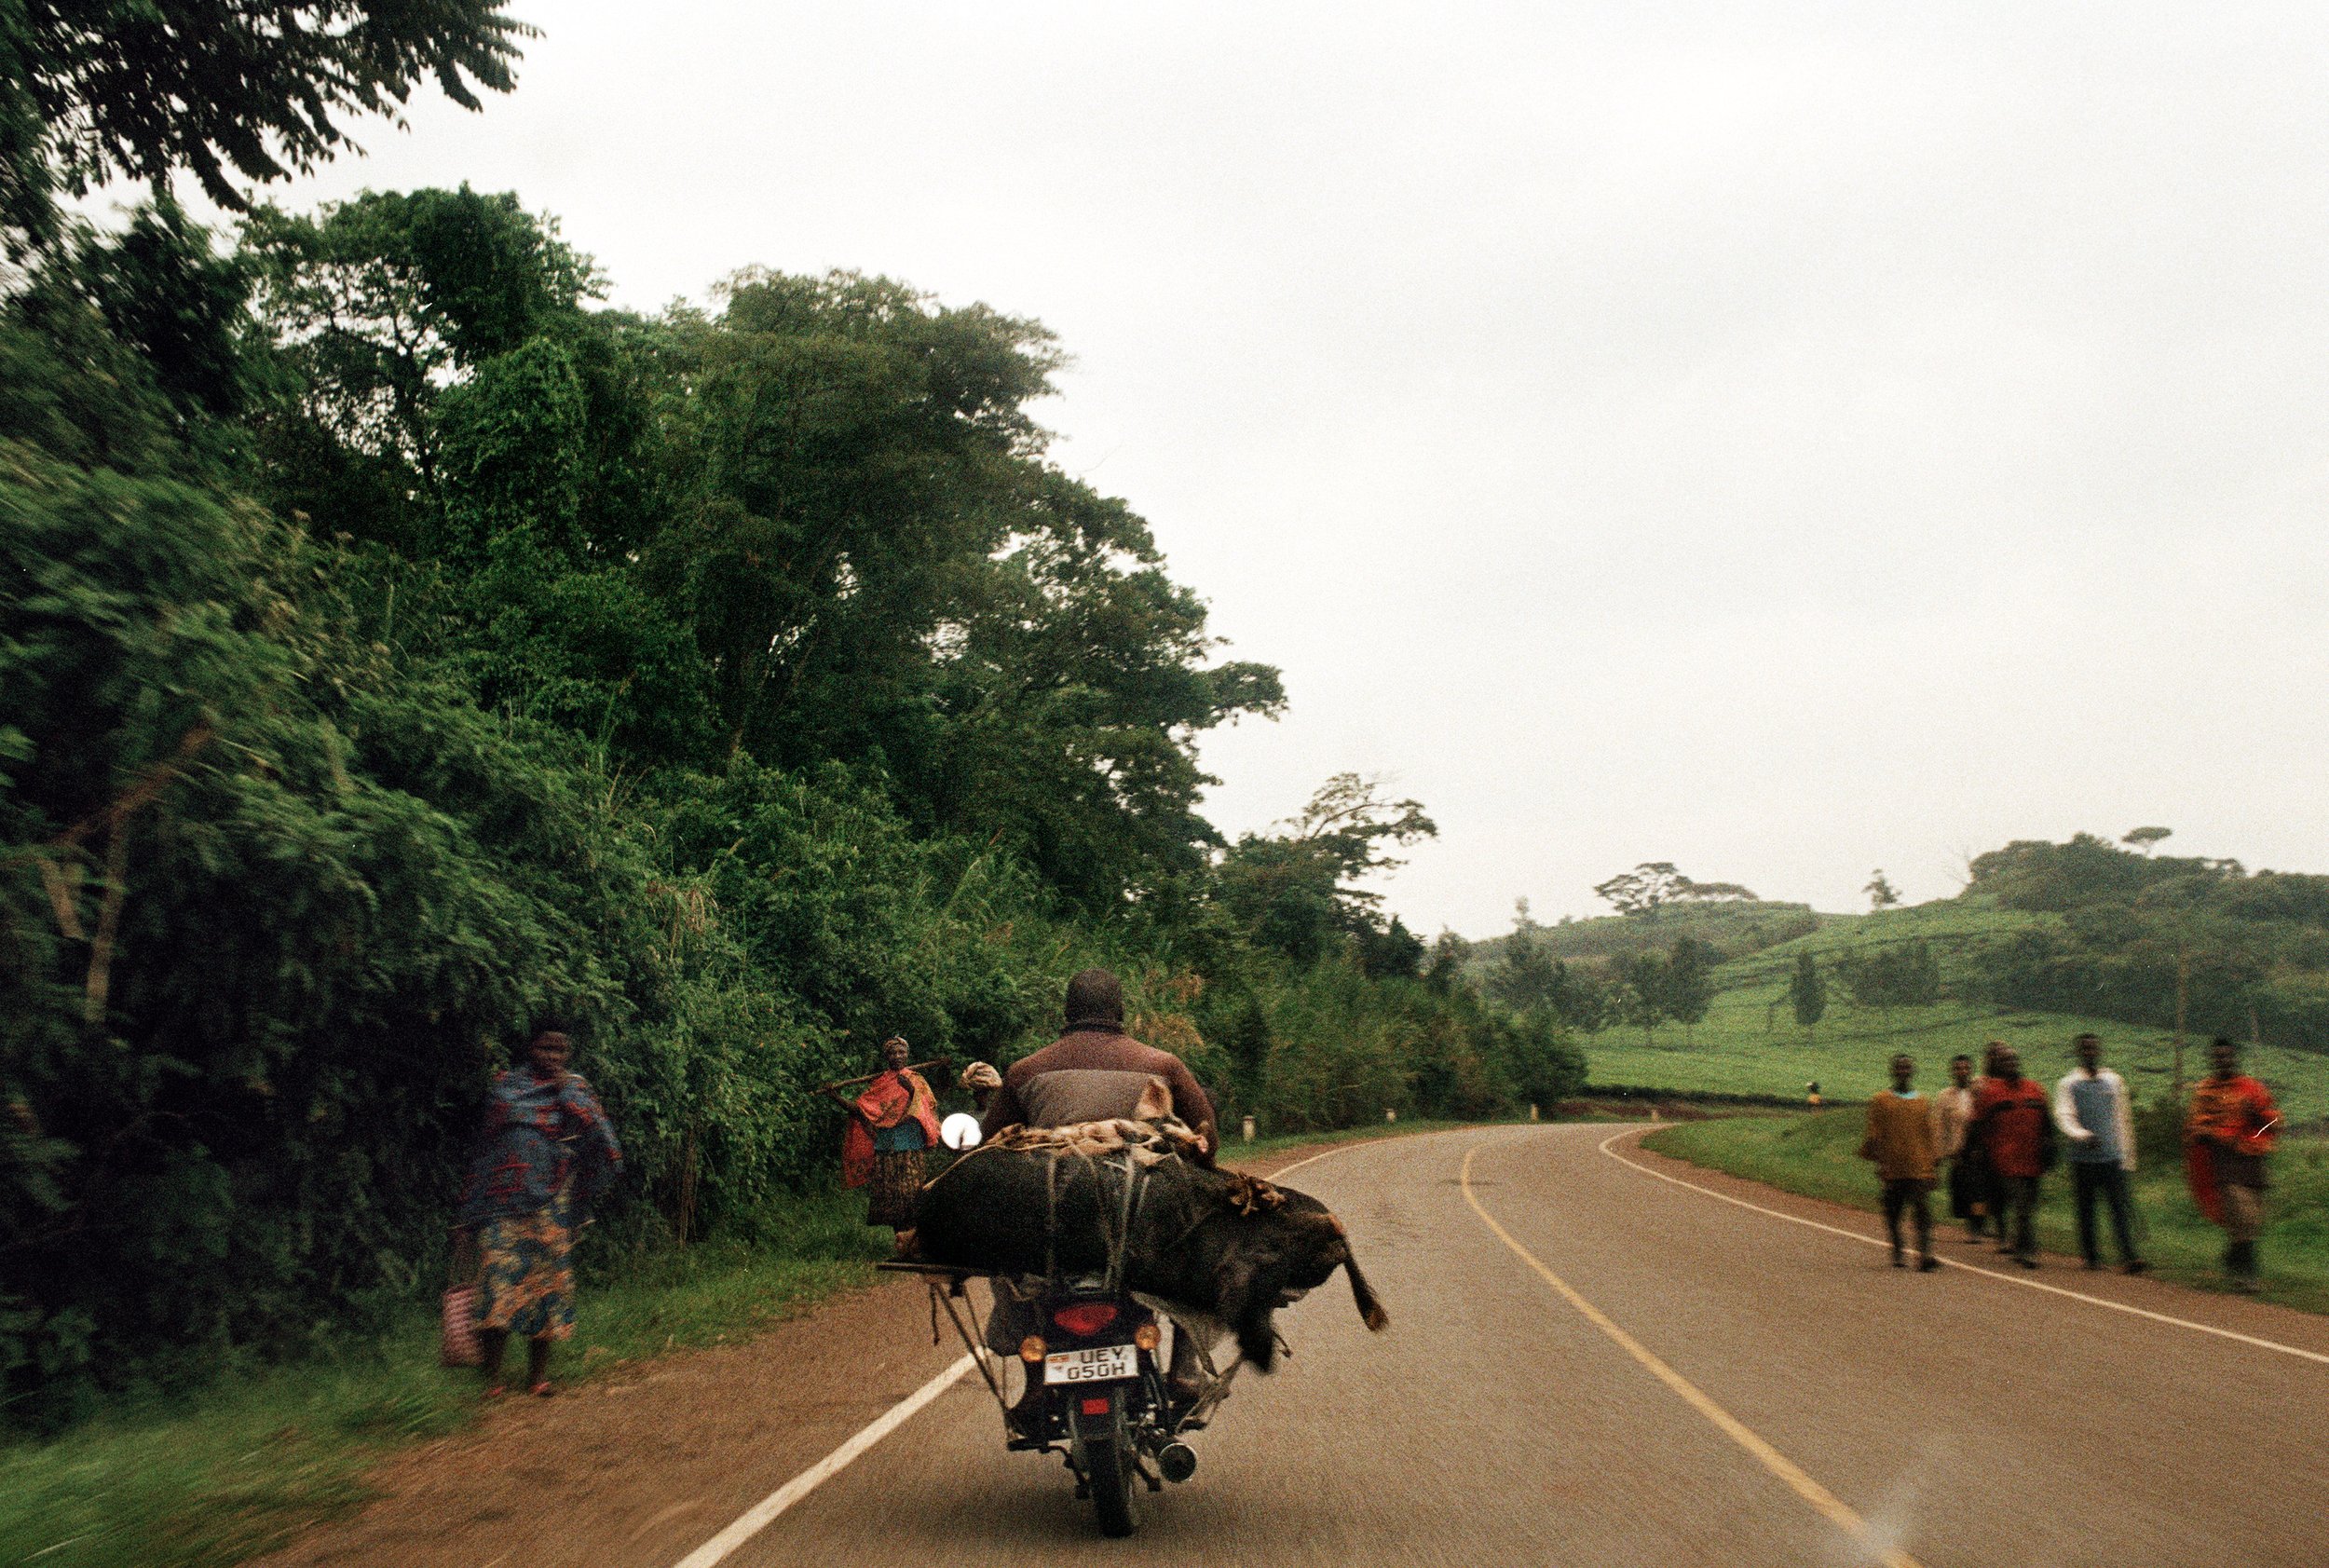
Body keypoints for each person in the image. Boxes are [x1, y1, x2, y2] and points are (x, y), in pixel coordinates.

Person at [971, 968, 1219, 1433]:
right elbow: (1206, 1140)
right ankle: (1184, 1374)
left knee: (1007, 1265)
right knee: (1197, 1261)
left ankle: (1035, 1381)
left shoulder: (1025, 1071)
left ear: (1066, 1014)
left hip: (1052, 1230)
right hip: (1142, 1227)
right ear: (1120, 1013)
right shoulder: (1164, 1066)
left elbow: (989, 1152)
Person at [454, 1029, 622, 1398]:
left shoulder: (576, 1089)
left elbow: (602, 1138)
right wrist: (469, 1209)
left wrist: (565, 1091)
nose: (553, 1056)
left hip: (551, 1206)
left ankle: (537, 1378)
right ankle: (492, 1380)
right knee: (497, 1283)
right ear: (531, 1048)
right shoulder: (506, 1087)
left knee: (548, 1286)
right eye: (546, 1047)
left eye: (561, 1050)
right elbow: (486, 1148)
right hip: (501, 1204)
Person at [2185, 1037, 2281, 1293]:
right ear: (2212, 1059)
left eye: (2227, 1055)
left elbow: (2272, 1122)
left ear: (2235, 1057)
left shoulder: (2252, 1087)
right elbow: (2195, 1126)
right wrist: (2215, 1134)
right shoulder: (2205, 1090)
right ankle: (2249, 1277)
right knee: (2242, 1214)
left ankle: (2232, 1260)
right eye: (2218, 1056)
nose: (2223, 1060)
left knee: (2251, 1221)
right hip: (2222, 1162)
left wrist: (2253, 1131)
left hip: (2252, 1160)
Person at [827, 1036, 941, 1246]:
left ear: (907, 1055)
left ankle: (915, 1241)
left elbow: (924, 1108)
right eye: (893, 1053)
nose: (898, 1056)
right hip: (886, 1147)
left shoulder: (916, 1080)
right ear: (886, 1057)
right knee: (891, 1196)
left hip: (910, 1147)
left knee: (911, 1193)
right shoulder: (880, 1083)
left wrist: (910, 1090)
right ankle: (901, 1241)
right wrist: (834, 1096)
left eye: (901, 1052)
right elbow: (861, 1110)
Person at [2053, 1033, 2145, 1274]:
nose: (2090, 1053)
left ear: (2099, 1050)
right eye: (2085, 1049)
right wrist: (2083, 1135)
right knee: (2086, 1208)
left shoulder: (2113, 1081)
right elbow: (2064, 1117)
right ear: (2079, 1052)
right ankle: (2091, 1256)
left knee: (2119, 1207)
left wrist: (2127, 1156)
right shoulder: (2068, 1083)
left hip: (2111, 1156)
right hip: (2082, 1159)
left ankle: (2129, 1257)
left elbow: (2122, 1119)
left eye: (2093, 1048)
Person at [1858, 1054, 1942, 1271]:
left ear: (1912, 1071)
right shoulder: (1880, 1101)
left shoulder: (1923, 1102)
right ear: (1892, 1071)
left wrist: (1933, 1165)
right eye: (1899, 1068)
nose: (1903, 1071)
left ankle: (1924, 1255)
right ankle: (1898, 1249)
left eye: (1907, 1067)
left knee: (1922, 1212)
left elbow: (1929, 1135)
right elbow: (1874, 1134)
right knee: (1893, 1212)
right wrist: (1880, 1162)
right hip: (1893, 1168)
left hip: (1919, 1167)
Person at [1970, 1043, 2050, 1268]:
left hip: (2033, 1159)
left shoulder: (2035, 1089)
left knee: (2029, 1204)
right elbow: (1977, 1124)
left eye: (2014, 1060)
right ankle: (2028, 1250)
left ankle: (2019, 1241)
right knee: (2022, 1202)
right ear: (1998, 1066)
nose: (2011, 1064)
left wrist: (2049, 1147)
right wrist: (1979, 1150)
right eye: (2005, 1061)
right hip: (2006, 1160)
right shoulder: (1990, 1094)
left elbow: (2046, 1122)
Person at [1936, 1053, 1987, 1242]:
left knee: (1979, 1190)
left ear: (1971, 1070)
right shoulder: (1945, 1096)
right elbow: (1940, 1127)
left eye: (1966, 1068)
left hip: (1979, 1149)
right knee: (1962, 1189)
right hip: (1958, 1149)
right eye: (1958, 1068)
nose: (1962, 1072)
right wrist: (1941, 1153)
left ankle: (1977, 1227)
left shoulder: (1981, 1091)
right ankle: (1972, 1223)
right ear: (1952, 1072)